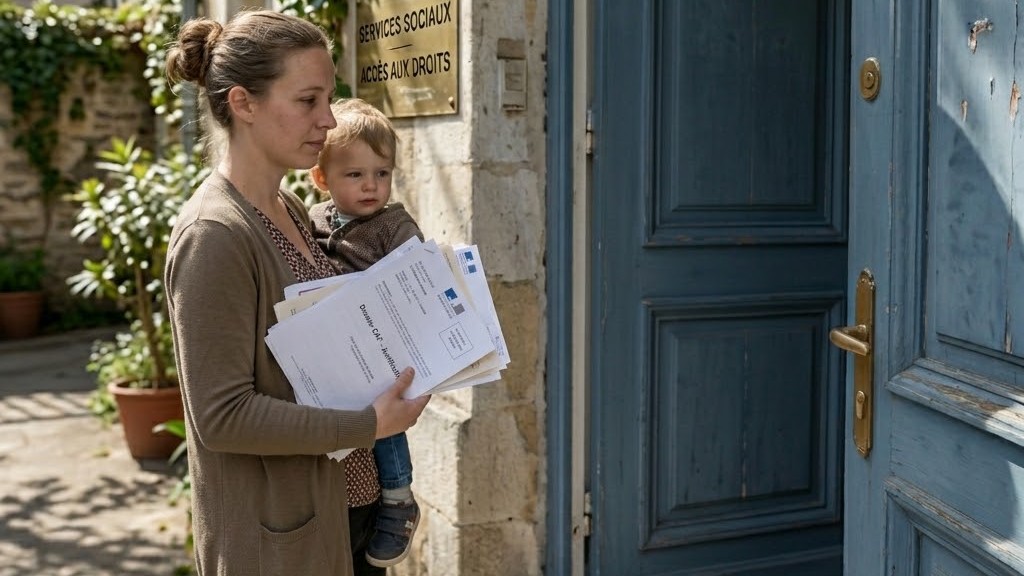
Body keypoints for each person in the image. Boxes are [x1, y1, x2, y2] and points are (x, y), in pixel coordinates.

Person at [163, 10, 429, 576]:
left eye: (328, 99)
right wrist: (368, 425)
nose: (328, 120)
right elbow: (222, 416)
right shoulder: (213, 235)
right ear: (244, 104)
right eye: (308, 100)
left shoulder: (292, 209)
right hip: (278, 542)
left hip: (346, 512)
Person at [308, 97, 424, 568]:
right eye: (355, 174)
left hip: (383, 347)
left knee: (385, 423)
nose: (371, 185)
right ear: (322, 179)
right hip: (337, 349)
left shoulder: (393, 224)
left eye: (382, 173)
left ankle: (398, 496)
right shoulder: (312, 220)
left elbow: (418, 273)